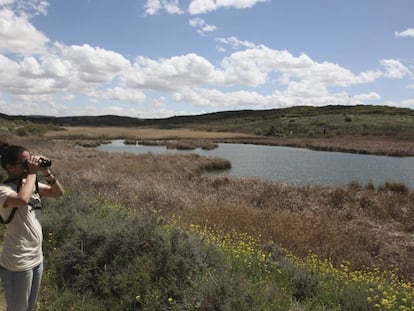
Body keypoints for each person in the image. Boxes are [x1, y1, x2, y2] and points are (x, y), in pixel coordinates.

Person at [0, 142, 64, 311]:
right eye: (25, 163)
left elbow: (58, 193)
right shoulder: (3, 190)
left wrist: (46, 172)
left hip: (36, 257)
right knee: (17, 308)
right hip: (18, 261)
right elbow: (21, 200)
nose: (29, 165)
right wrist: (33, 173)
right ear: (10, 167)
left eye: (30, 161)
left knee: (29, 307)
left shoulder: (31, 185)